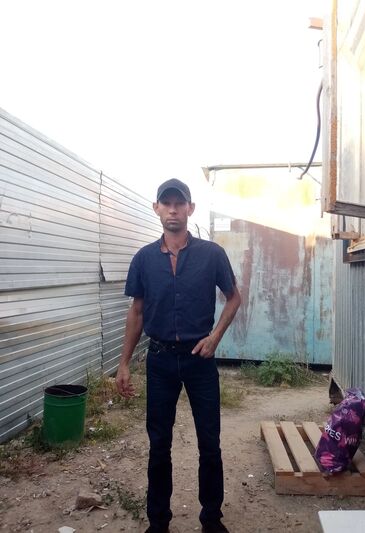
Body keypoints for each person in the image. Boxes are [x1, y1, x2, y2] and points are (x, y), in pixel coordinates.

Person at [116, 178, 241, 533]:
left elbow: (234, 297)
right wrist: (123, 363)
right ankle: (158, 523)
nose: (173, 209)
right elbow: (137, 311)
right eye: (166, 203)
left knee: (210, 443)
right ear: (156, 208)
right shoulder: (143, 259)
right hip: (159, 361)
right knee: (159, 445)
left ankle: (211, 519)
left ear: (190, 209)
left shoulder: (211, 254)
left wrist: (215, 337)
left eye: (179, 203)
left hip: (199, 359)